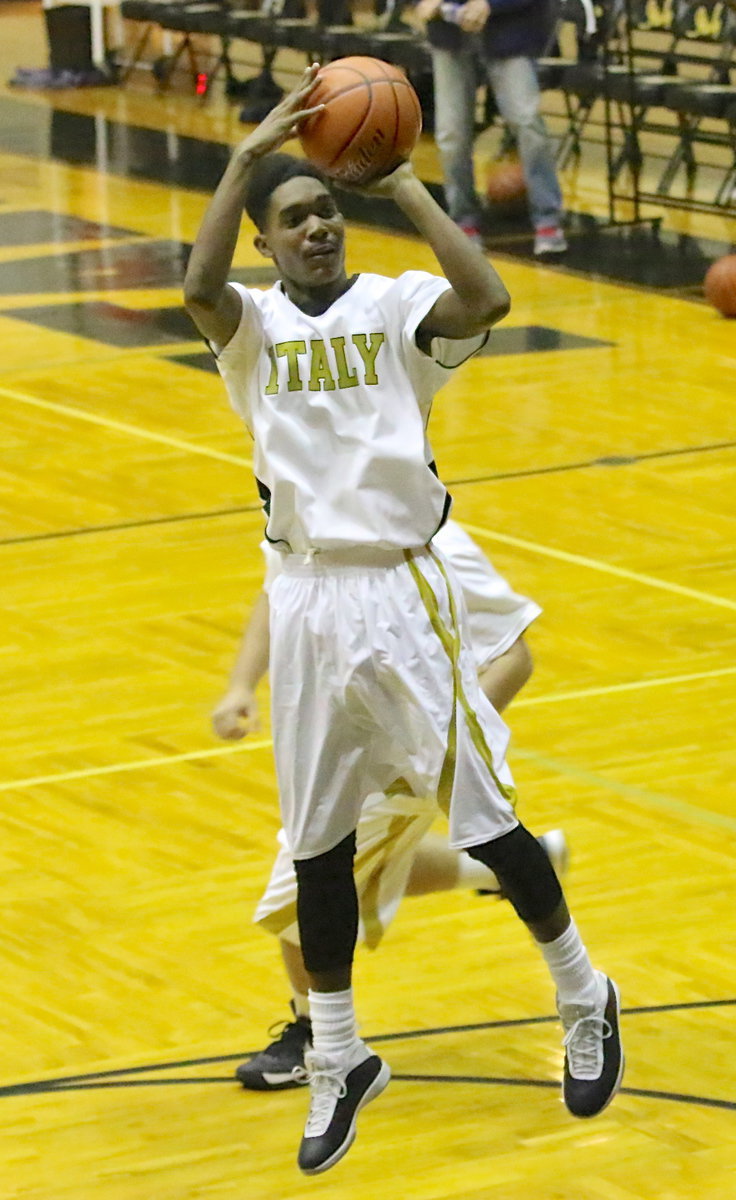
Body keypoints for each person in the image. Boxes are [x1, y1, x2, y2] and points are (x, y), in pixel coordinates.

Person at [184, 64, 623, 1176]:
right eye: (295, 220)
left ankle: (582, 989)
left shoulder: (393, 304)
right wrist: (242, 164)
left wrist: (408, 189)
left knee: (484, 820)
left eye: (325, 208)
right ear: (269, 244)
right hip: (305, 597)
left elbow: (488, 301)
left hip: (402, 585)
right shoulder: (252, 328)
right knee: (318, 851)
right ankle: (338, 1058)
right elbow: (197, 285)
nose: (317, 228)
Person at [212, 520, 570, 1091]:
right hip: (328, 742)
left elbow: (515, 655)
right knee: (364, 870)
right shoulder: (302, 515)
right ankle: (515, 868)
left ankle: (316, 1037)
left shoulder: (436, 543)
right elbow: (273, 590)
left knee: (301, 897)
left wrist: (435, 756)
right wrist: (240, 685)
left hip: (401, 761)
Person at [415, 0, 568, 256]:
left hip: (509, 32)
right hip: (448, 33)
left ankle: (547, 220)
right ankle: (463, 222)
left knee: (527, 121)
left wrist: (490, 4)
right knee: (452, 133)